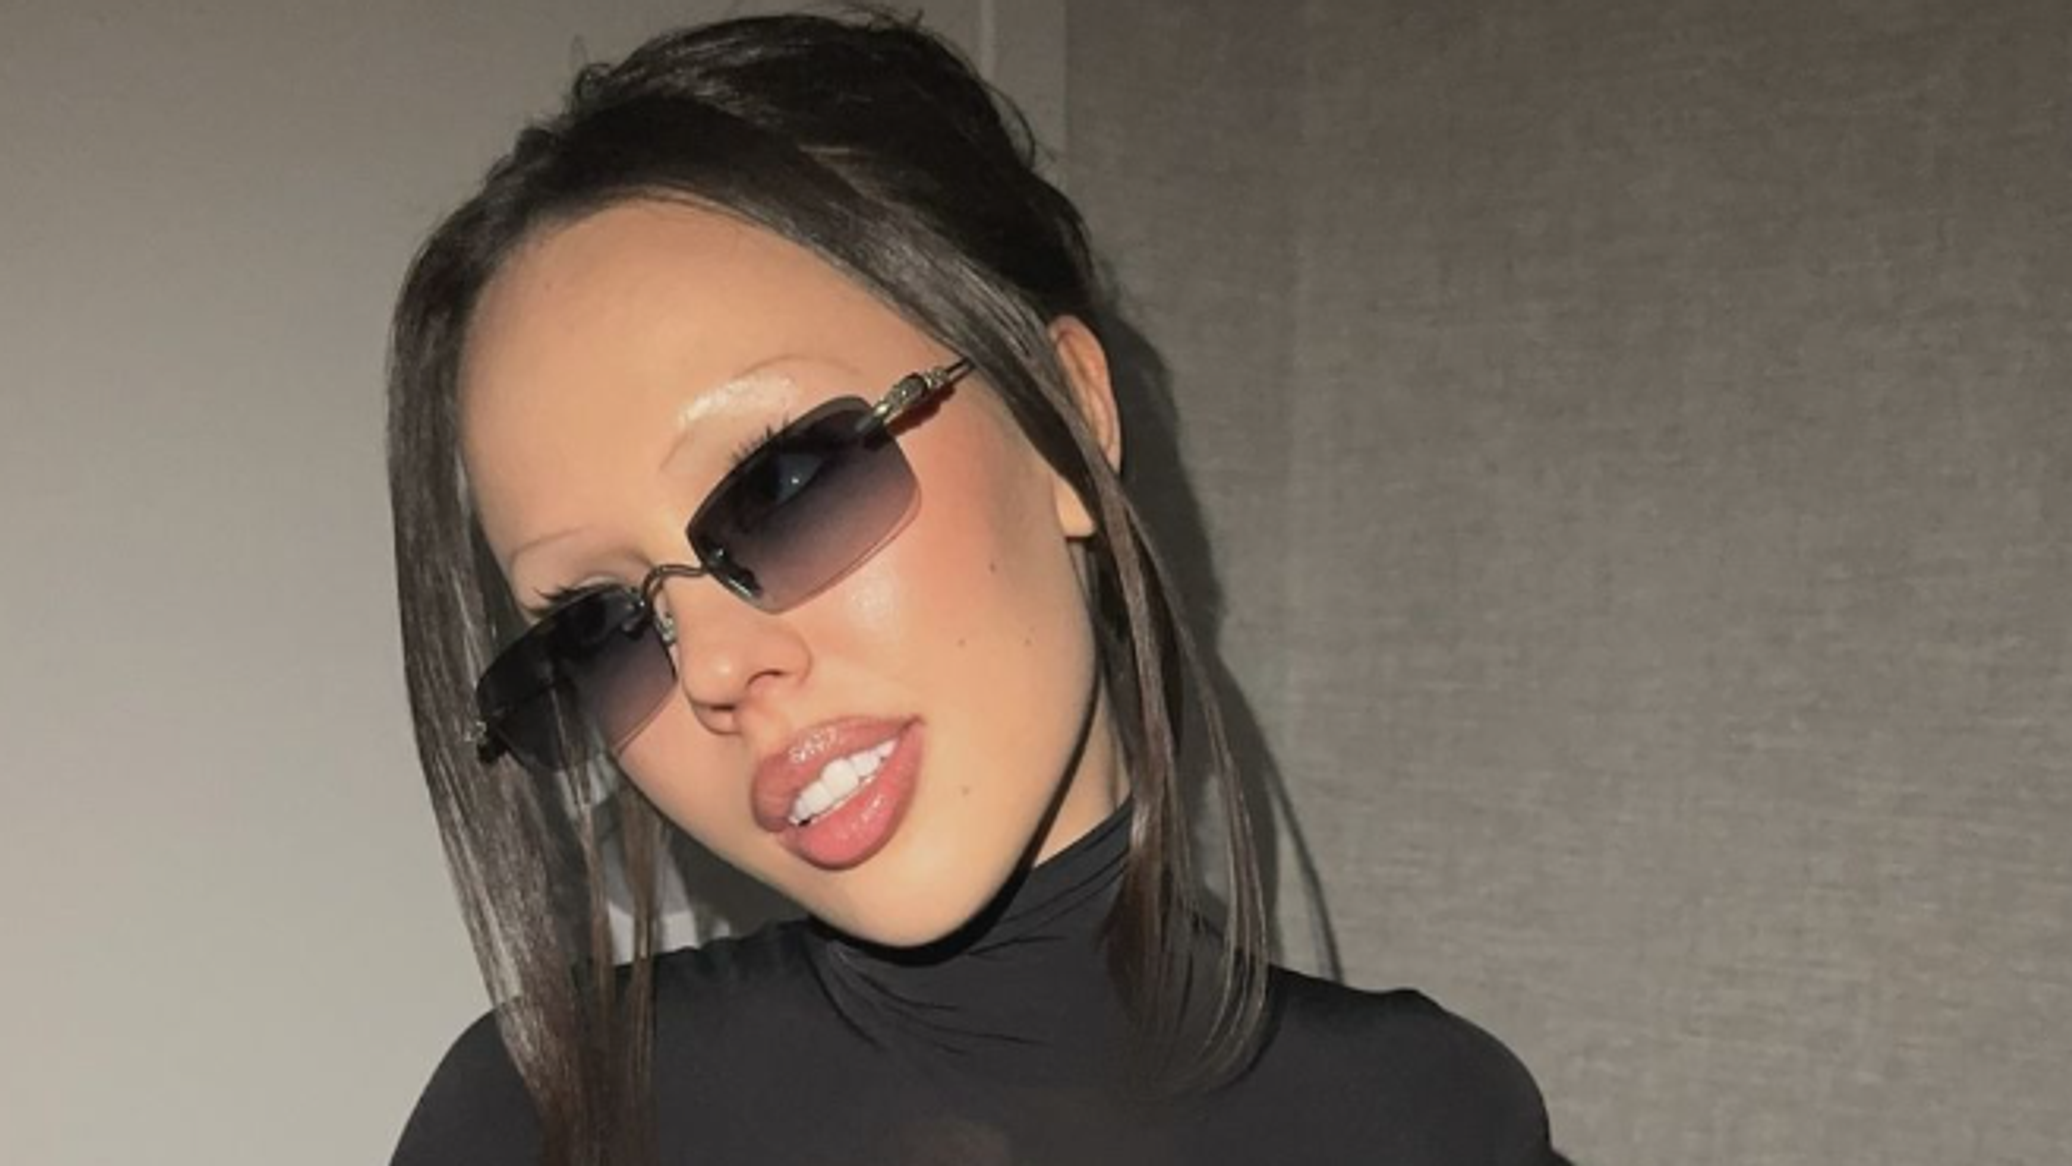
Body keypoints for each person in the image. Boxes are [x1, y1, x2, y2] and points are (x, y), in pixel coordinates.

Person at [385, 12, 1561, 1166]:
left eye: (782, 485)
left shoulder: (1430, 1123)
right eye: (598, 625)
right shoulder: (532, 1117)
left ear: (1065, 417)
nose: (715, 668)